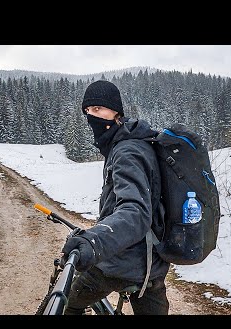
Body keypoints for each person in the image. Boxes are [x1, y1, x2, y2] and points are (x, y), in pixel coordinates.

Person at [60, 80, 170, 315]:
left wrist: (94, 241)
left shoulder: (126, 152)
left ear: (116, 112)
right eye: (88, 111)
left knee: (67, 301)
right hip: (152, 264)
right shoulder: (137, 142)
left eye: (98, 109)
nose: (92, 117)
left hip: (125, 262)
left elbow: (136, 212)